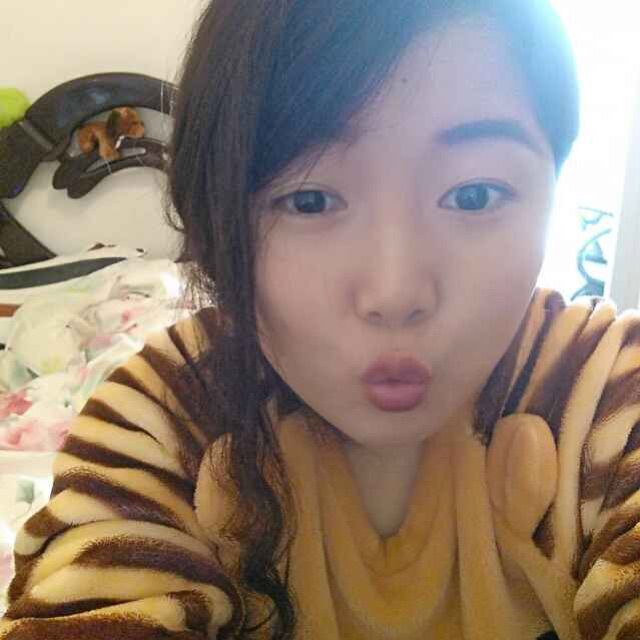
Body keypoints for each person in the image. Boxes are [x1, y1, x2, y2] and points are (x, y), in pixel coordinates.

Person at [2, 0, 639, 639]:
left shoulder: (601, 391)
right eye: (309, 200)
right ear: (218, 220)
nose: (394, 292)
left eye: (473, 195)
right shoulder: (167, 418)